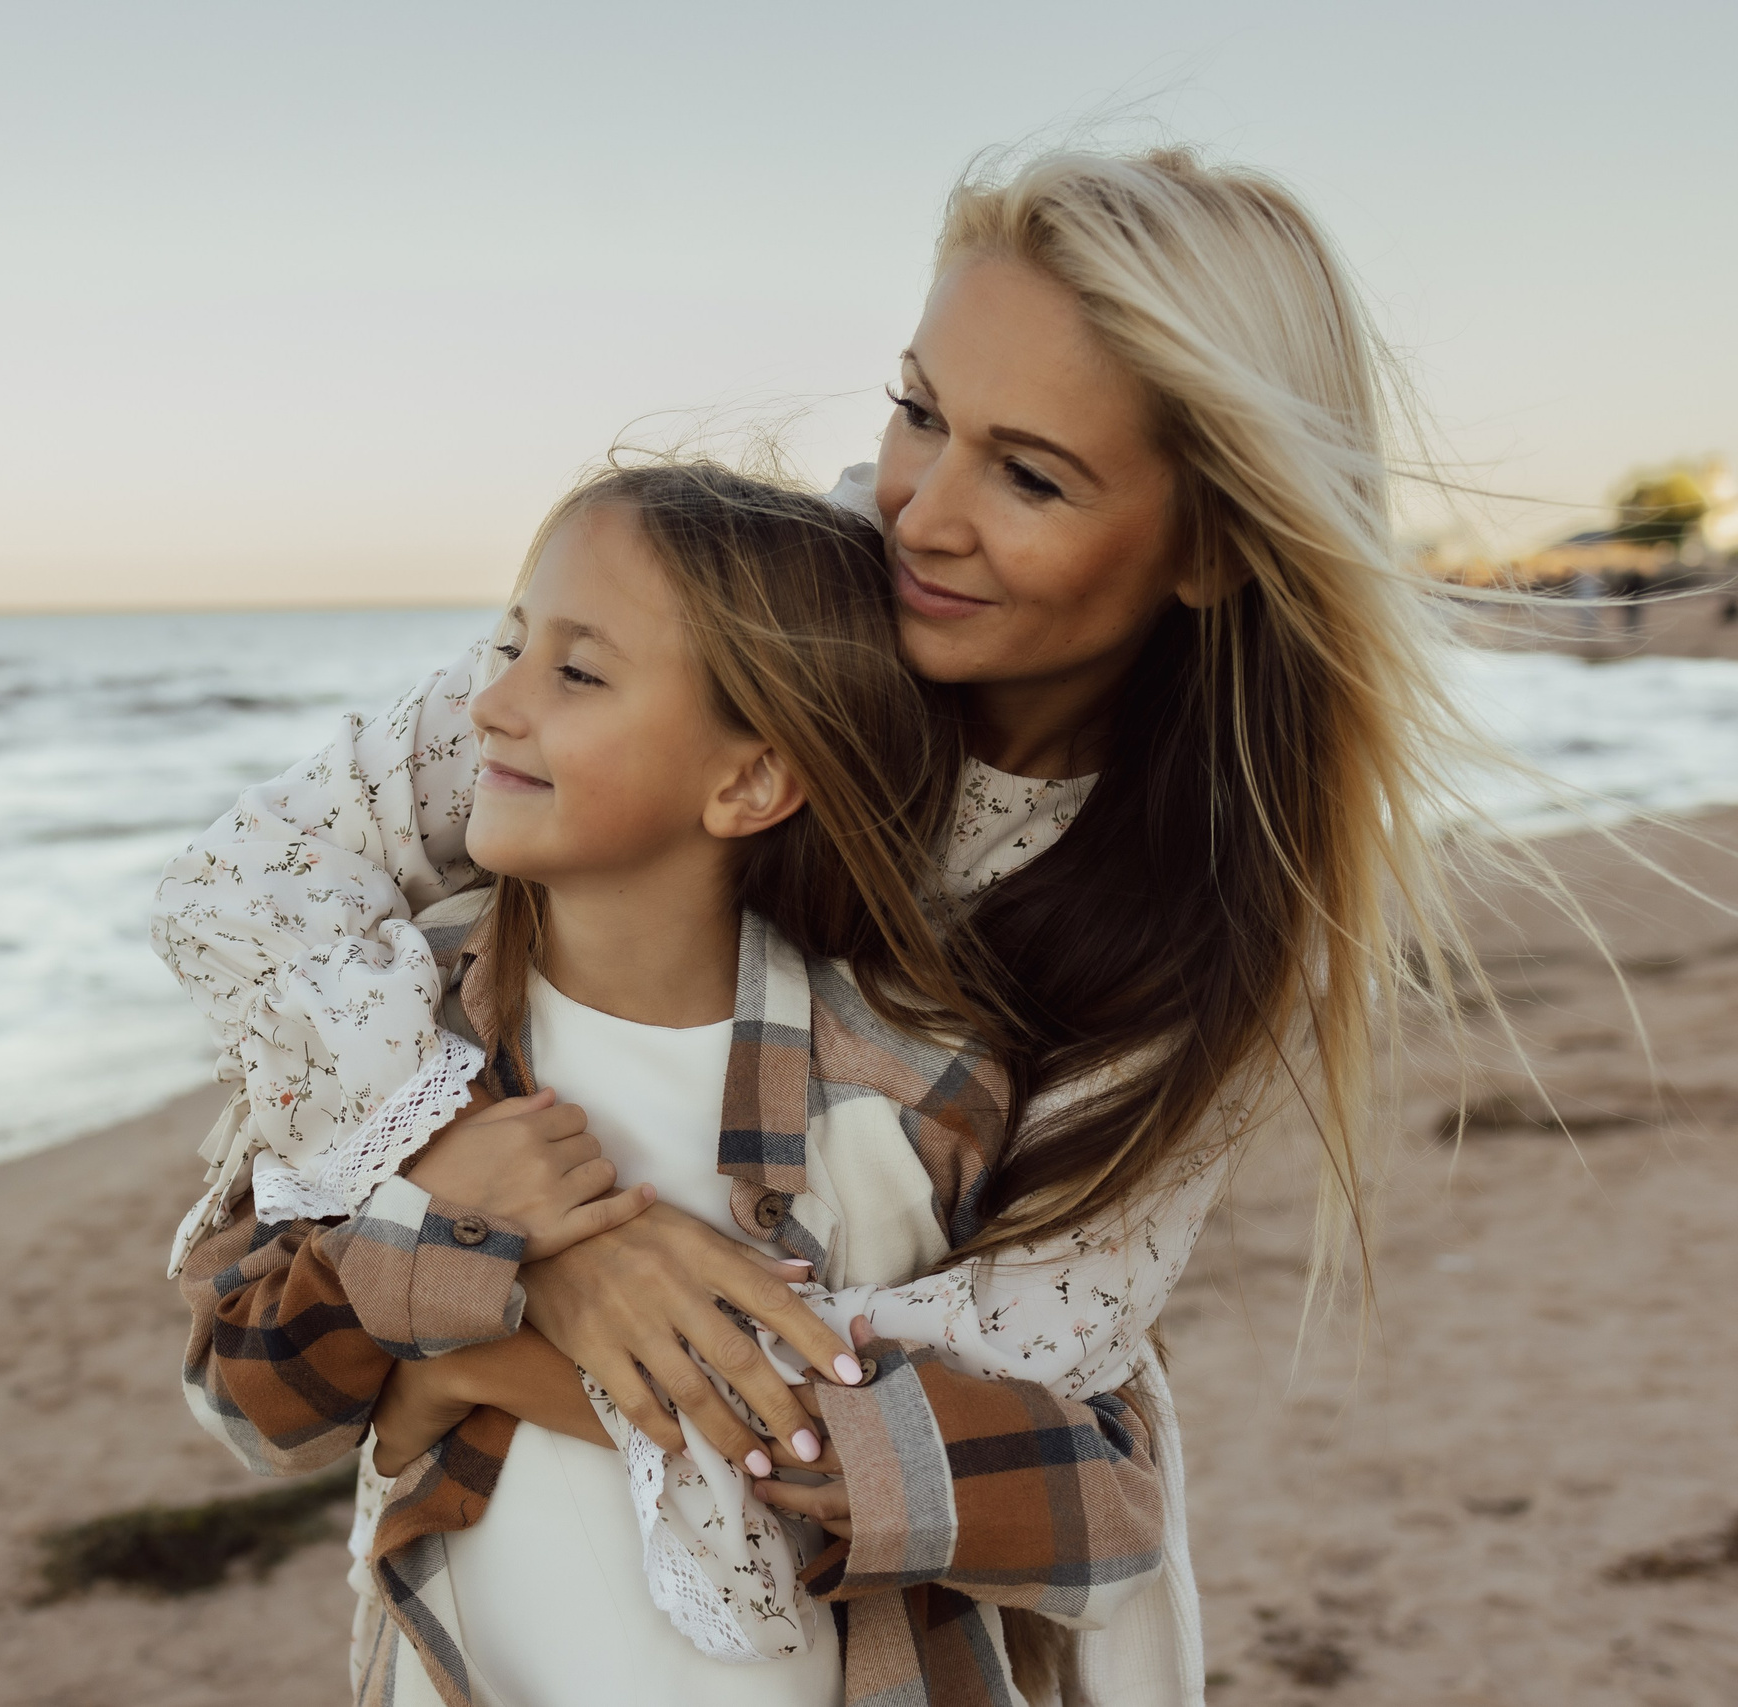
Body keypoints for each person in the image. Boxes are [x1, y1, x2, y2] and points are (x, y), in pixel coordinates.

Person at [158, 145, 1492, 1706]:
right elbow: (254, 880)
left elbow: (1001, 1377)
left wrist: (481, 1343)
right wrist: (482, 1169)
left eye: (1034, 474)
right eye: (922, 411)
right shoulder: (754, 613)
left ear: (1208, 543)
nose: (920, 512)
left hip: (910, 1612)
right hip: (559, 1568)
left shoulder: (1216, 918)